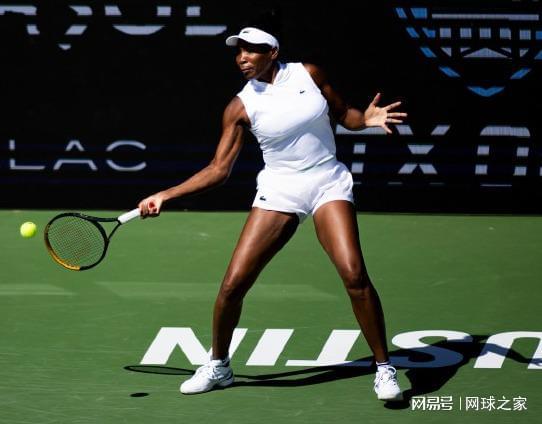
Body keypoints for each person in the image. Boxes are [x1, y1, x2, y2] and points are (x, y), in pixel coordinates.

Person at [138, 18, 407, 401]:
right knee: (233, 285)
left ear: (273, 52)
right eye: (238, 51)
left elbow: (343, 112)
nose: (242, 57)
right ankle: (219, 366)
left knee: (354, 274)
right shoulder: (240, 107)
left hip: (327, 181)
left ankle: (384, 368)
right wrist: (167, 194)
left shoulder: (308, 74)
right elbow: (218, 170)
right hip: (280, 190)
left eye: (251, 50)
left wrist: (365, 119)